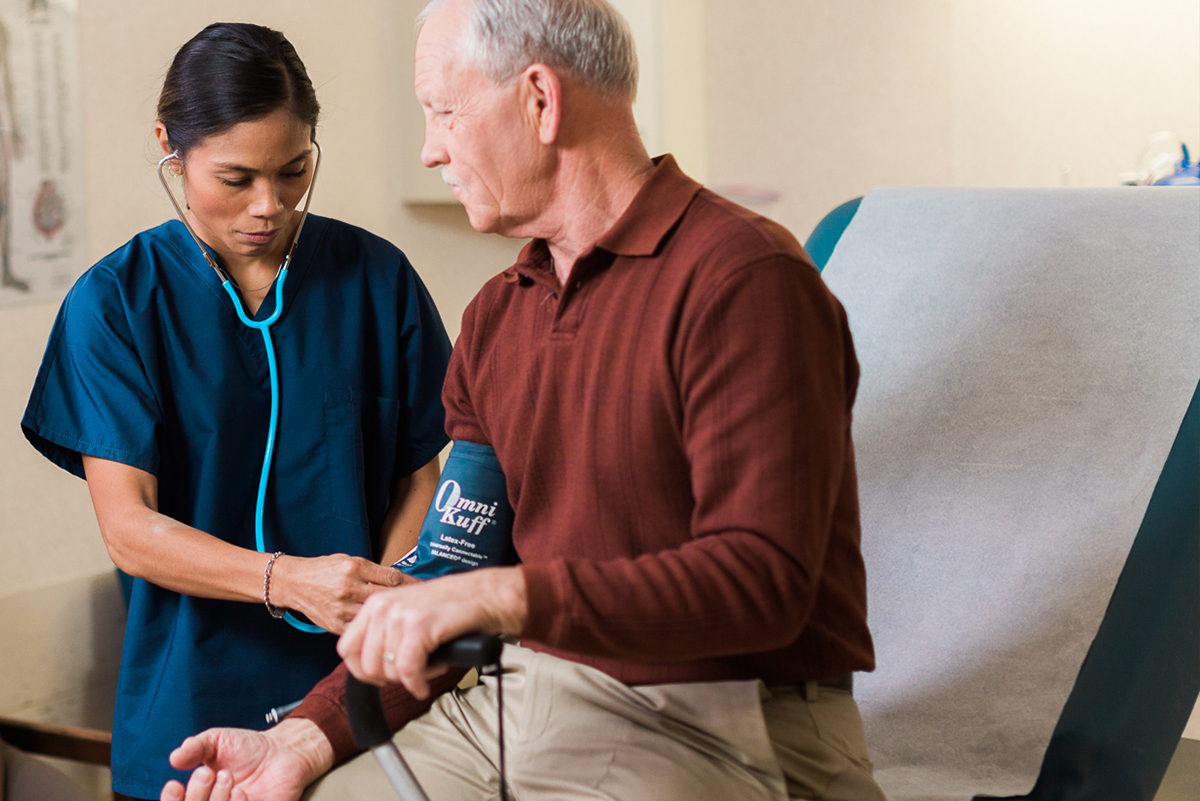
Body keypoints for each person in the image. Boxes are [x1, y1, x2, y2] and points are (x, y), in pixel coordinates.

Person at [158, 2, 884, 799]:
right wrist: (304, 735)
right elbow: (452, 565)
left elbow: (763, 584)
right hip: (527, 700)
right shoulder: (500, 317)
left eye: (442, 112)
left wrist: (505, 596)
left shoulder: (742, 280)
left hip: (721, 717)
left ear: (539, 100)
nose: (431, 150)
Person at [20, 23, 452, 801]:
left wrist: (374, 611)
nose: (270, 206)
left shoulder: (376, 279)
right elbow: (130, 529)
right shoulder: (116, 304)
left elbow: (420, 472)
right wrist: (293, 581)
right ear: (169, 146)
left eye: (294, 172)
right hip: (191, 718)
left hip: (355, 708)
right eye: (236, 177)